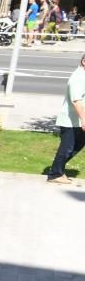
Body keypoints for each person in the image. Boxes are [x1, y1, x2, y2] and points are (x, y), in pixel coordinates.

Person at [47, 53, 85, 184]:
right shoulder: (78, 77)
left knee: (77, 145)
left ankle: (58, 169)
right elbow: (76, 101)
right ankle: (55, 174)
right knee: (67, 147)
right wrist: (84, 119)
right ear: (84, 61)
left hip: (77, 120)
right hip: (71, 121)